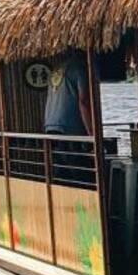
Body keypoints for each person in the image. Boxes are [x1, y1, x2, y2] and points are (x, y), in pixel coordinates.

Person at [43, 51, 92, 186]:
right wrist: (91, 133)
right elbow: (83, 102)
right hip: (70, 127)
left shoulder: (56, 70)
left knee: (61, 172)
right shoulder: (80, 69)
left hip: (51, 126)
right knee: (79, 172)